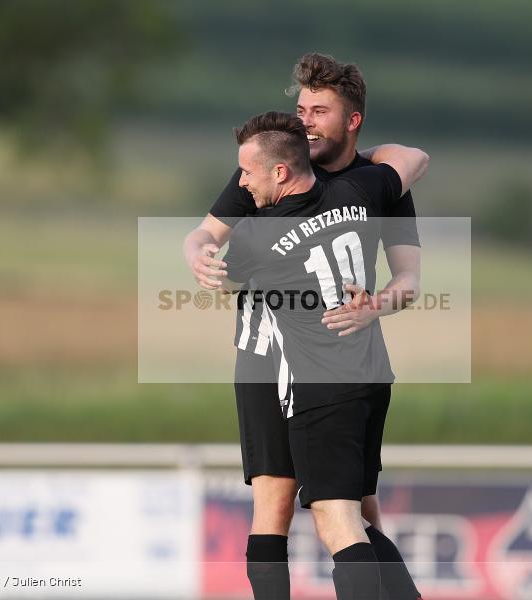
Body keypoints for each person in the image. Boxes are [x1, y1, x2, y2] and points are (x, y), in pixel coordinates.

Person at [183, 53, 422, 600]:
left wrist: (378, 304)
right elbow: (203, 236)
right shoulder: (273, 169)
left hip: (327, 360)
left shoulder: (354, 181)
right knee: (277, 503)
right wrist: (198, 253)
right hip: (271, 355)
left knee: (352, 512)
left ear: (352, 120)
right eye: (301, 108)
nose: (307, 121)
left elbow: (409, 278)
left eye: (320, 110)